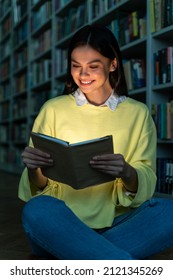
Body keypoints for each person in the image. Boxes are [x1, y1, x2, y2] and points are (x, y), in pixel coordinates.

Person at [18, 24, 173, 260]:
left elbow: (146, 180)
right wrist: (33, 168)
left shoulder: (138, 113)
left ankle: (79, 256)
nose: (82, 75)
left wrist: (126, 171)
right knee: (38, 209)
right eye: (75, 66)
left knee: (168, 212)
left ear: (113, 64)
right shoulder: (53, 109)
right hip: (62, 223)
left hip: (118, 223)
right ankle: (113, 263)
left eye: (93, 66)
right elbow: (38, 190)